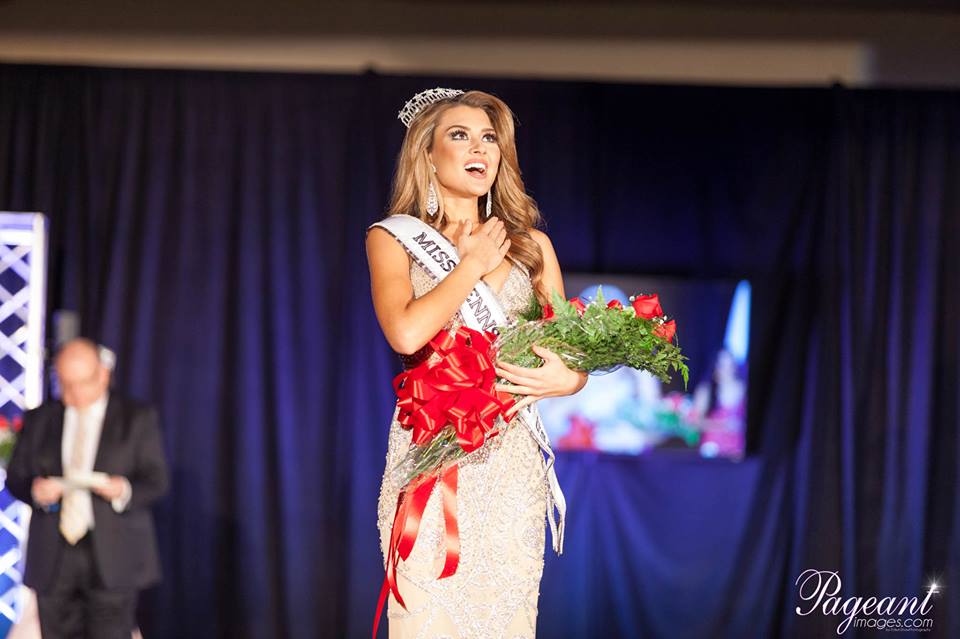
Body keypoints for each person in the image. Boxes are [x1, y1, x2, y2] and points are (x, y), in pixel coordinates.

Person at [366, 88, 587, 638]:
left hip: (510, 465)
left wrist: (569, 379)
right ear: (428, 154)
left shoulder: (533, 247)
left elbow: (571, 355)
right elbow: (406, 331)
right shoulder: (394, 239)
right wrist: (471, 265)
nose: (479, 148)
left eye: (489, 138)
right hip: (431, 455)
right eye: (459, 135)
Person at [6, 338, 168, 639]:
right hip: (54, 556)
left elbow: (156, 480)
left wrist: (123, 490)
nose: (75, 393)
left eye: (83, 383)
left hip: (113, 554)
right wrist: (35, 491)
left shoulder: (135, 418)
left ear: (103, 375)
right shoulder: (41, 418)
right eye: (66, 385)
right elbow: (16, 477)